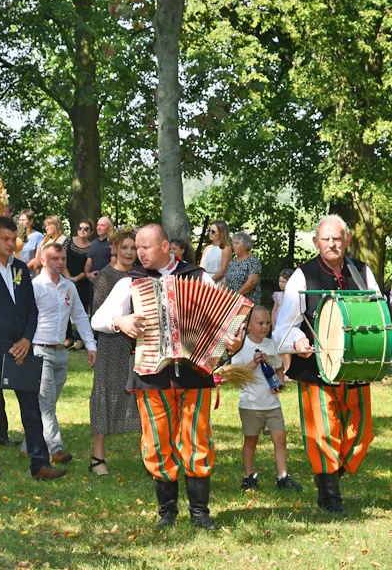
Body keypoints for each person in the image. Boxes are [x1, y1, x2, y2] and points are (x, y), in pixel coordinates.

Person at [91, 224, 242, 530]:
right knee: (156, 443)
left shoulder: (197, 276)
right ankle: (167, 513)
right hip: (150, 375)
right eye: (136, 248)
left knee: (197, 440)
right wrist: (120, 319)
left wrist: (233, 342)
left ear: (164, 247)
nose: (138, 253)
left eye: (144, 248)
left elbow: (228, 322)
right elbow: (98, 319)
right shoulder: (130, 282)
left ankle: (200, 513)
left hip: (194, 373)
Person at [273, 214, 377, 516]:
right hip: (316, 365)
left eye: (337, 238)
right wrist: (297, 343)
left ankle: (330, 474)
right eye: (326, 239)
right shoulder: (302, 276)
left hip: (358, 363)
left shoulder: (362, 271)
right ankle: (330, 493)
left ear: (346, 240)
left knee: (362, 432)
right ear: (317, 242)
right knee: (323, 431)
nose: (332, 244)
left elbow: (378, 309)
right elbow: (285, 325)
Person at [0, 216, 67, 481]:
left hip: (23, 349)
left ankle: (40, 463)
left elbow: (31, 310)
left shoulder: (21, 268)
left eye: (14, 239)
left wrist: (25, 340)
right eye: (5, 239)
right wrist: (7, 347)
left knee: (31, 407)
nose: (11, 244)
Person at [22, 242, 96, 464]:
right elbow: (23, 318)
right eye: (54, 258)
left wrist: (91, 345)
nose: (60, 262)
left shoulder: (68, 287)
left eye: (62, 259)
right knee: (45, 402)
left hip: (61, 351)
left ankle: (28, 444)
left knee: (48, 404)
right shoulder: (35, 286)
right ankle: (55, 450)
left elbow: (81, 316)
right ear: (43, 261)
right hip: (39, 350)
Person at [229, 306, 301, 492]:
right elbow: (237, 375)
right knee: (251, 440)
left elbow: (278, 367)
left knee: (280, 438)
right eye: (260, 323)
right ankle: (248, 477)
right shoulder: (241, 346)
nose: (265, 327)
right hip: (251, 404)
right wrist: (255, 361)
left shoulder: (271, 344)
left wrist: (279, 383)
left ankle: (283, 476)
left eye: (268, 323)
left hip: (271, 403)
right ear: (248, 325)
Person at [88, 230, 141, 477]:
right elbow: (97, 314)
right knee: (106, 395)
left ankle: (150, 454)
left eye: (134, 248)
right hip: (111, 344)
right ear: (116, 248)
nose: (130, 252)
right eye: (126, 247)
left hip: (138, 345)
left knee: (141, 397)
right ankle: (97, 457)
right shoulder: (106, 277)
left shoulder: (143, 275)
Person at [63, 219, 93, 348]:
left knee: (81, 310)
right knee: (64, 307)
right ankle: (67, 337)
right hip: (65, 278)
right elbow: (62, 260)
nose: (82, 230)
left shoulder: (92, 247)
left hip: (82, 281)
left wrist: (76, 279)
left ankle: (81, 339)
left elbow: (88, 268)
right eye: (80, 228)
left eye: (86, 229)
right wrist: (69, 278)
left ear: (90, 232)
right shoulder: (68, 242)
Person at [224, 232, 262, 304]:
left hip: (246, 303)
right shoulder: (232, 262)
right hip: (231, 301)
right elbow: (225, 280)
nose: (234, 246)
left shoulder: (253, 261)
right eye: (233, 243)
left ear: (245, 245)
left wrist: (235, 296)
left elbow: (252, 282)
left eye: (237, 243)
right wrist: (227, 296)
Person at [84, 216, 114, 302]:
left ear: (110, 227)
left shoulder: (114, 243)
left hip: (108, 282)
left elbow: (114, 262)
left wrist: (100, 275)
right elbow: (88, 262)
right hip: (93, 283)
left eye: (102, 225)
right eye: (98, 225)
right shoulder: (94, 243)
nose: (98, 228)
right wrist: (87, 274)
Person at [199, 220, 232, 286]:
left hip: (216, 283)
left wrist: (209, 282)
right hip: (203, 281)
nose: (210, 233)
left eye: (213, 231)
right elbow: (201, 268)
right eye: (209, 230)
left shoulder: (225, 249)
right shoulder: (207, 248)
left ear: (221, 233)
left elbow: (222, 271)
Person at [18, 209, 44, 275]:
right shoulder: (15, 236)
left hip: (31, 274)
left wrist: (22, 270)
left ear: (31, 221)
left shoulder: (38, 236)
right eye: (20, 220)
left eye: (23, 220)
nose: (21, 222)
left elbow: (37, 260)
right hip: (15, 273)